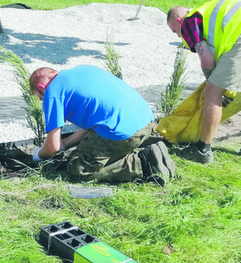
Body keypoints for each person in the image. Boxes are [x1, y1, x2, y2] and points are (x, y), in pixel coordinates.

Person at [166, 0, 241, 160]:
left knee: (212, 92)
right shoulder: (207, 11)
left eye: (174, 31)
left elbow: (207, 61)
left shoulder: (188, 21)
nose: (178, 36)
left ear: (179, 20)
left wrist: (213, 83)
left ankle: (202, 150)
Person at [29, 64, 176, 185]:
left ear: (41, 87)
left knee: (78, 169)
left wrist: (39, 155)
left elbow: (52, 147)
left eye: (40, 97)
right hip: (147, 122)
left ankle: (143, 163)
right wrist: (65, 145)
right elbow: (90, 125)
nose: (43, 100)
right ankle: (145, 146)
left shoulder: (52, 93)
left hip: (124, 133)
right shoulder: (84, 69)